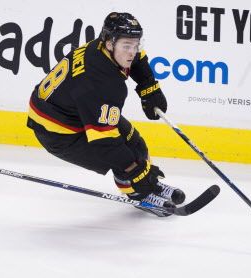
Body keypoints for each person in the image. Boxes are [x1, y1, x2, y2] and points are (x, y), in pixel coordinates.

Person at [27, 12, 185, 217]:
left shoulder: (102, 47)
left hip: (69, 109)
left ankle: (148, 184)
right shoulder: (102, 84)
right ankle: (141, 195)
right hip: (58, 133)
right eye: (127, 46)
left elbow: (137, 58)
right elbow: (106, 144)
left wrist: (149, 86)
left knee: (135, 142)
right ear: (110, 43)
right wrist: (136, 171)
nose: (132, 52)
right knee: (123, 155)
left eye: (135, 45)